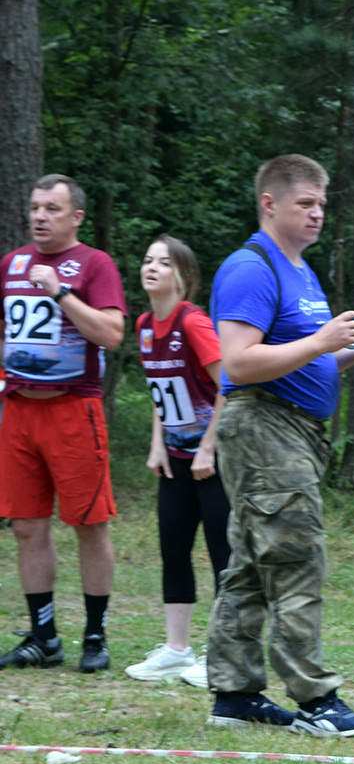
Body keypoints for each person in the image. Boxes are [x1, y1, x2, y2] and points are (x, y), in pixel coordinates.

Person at [204, 154, 354, 734]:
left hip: (289, 428)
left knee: (251, 562)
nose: (318, 213)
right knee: (296, 560)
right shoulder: (251, 268)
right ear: (270, 204)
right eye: (305, 204)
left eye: (321, 204)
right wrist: (321, 339)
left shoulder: (299, 270)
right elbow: (239, 362)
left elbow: (305, 362)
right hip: (265, 427)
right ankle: (314, 701)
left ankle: (236, 695)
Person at [0, 174, 126, 674]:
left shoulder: (95, 264)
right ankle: (43, 636)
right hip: (20, 411)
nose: (39, 217)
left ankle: (94, 635)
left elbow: (112, 334)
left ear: (75, 216)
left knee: (89, 525)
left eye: (52, 208)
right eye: (35, 207)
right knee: (27, 527)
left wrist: (61, 294)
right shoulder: (11, 264)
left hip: (74, 409)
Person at [123, 236, 230, 686]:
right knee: (173, 549)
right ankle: (176, 651)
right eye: (147, 259)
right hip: (175, 458)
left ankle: (224, 656)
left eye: (163, 262)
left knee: (223, 556)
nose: (151, 267)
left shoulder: (194, 323)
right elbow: (159, 389)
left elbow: (229, 385)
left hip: (215, 458)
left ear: (183, 276)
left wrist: (208, 447)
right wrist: (157, 443)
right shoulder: (145, 323)